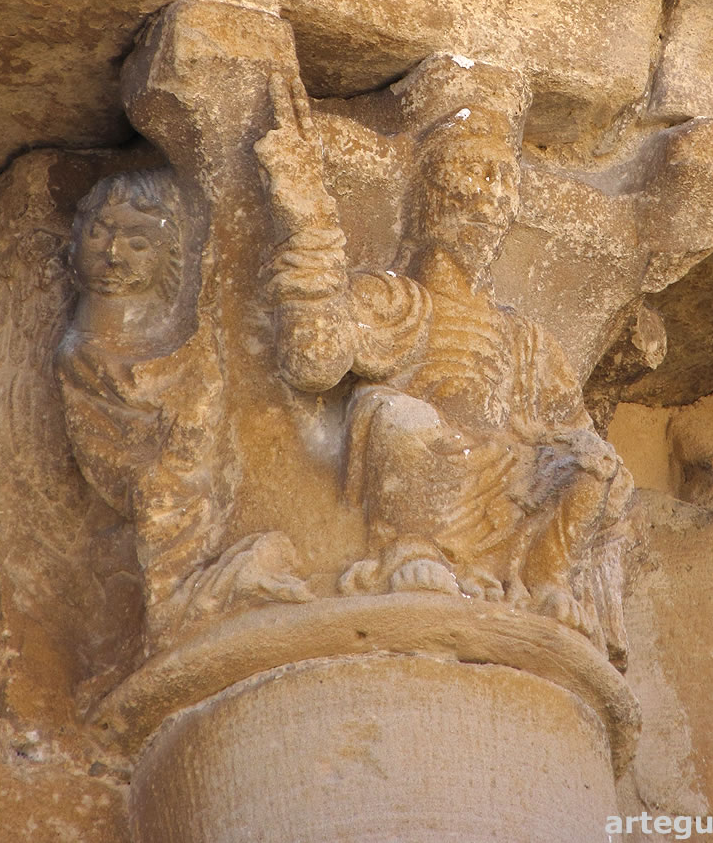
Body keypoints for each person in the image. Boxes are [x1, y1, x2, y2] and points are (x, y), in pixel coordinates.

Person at [256, 56, 633, 664]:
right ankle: (410, 550)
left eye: (500, 179)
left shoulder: (527, 339)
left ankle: (544, 577)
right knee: (398, 415)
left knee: (593, 464)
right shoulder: (392, 297)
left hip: (505, 481)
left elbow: (570, 429)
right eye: (467, 172)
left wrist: (579, 459)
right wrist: (306, 223)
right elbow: (312, 363)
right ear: (422, 195)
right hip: (424, 467)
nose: (486, 196)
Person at [57, 170, 310, 656]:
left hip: (216, 479)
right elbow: (109, 455)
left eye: (137, 242)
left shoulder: (191, 345)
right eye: (98, 232)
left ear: (169, 254)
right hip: (158, 494)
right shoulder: (81, 357)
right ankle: (181, 606)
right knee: (159, 490)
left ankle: (202, 594)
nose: (113, 253)